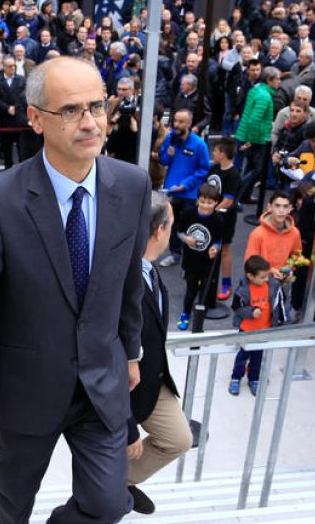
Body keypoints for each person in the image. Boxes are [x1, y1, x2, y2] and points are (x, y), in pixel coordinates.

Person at [0, 56, 152, 523]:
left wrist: (131, 351)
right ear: (35, 118)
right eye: (71, 111)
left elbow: (128, 282)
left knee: (107, 504)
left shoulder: (133, 184)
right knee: (14, 505)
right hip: (25, 394)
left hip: (99, 387)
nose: (90, 123)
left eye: (97, 107)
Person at [124, 192, 193, 515]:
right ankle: (101, 488)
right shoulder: (123, 280)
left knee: (179, 439)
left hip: (152, 380)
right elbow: (108, 364)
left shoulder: (146, 268)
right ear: (159, 231)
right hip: (124, 393)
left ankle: (118, 481)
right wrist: (128, 429)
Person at [229, 255, 295, 396]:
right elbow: (236, 307)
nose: (267, 279)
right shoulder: (243, 290)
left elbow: (281, 301)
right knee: (243, 355)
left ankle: (254, 379)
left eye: (267, 276)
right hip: (247, 330)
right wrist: (251, 312)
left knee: (258, 356)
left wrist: (283, 321)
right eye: (263, 277)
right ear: (250, 276)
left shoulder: (272, 286)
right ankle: (236, 378)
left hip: (264, 329)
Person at [158, 109, 211, 267]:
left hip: (189, 193)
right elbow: (163, 161)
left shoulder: (199, 144)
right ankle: (175, 254)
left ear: (189, 124)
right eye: (175, 121)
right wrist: (169, 154)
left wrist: (186, 184)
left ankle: (189, 255)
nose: (177, 125)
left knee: (188, 224)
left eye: (181, 122)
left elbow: (204, 169)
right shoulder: (170, 138)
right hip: (171, 191)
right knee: (172, 224)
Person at [174, 185, 226, 331]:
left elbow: (218, 240)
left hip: (208, 263)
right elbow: (179, 232)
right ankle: (185, 314)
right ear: (198, 200)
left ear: (216, 203)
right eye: (202, 201)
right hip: (191, 260)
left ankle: (199, 317)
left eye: (209, 203)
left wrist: (215, 248)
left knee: (205, 290)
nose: (205, 205)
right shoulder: (188, 213)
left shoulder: (218, 219)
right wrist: (186, 239)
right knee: (190, 289)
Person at [237, 65, 280, 205]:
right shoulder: (265, 97)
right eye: (277, 79)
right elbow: (254, 119)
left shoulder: (256, 89)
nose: (279, 82)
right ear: (269, 80)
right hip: (258, 138)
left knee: (250, 167)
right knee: (258, 170)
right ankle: (238, 194)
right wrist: (251, 140)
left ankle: (244, 195)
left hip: (249, 134)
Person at [207, 137, 242, 300]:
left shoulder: (233, 174)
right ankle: (207, 279)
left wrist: (211, 211)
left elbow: (228, 200)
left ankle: (226, 283)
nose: (213, 153)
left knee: (224, 249)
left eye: (215, 150)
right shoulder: (214, 168)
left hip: (225, 218)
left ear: (223, 153)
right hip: (211, 215)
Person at [244, 191, 303, 283]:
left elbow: (296, 257)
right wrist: (270, 271)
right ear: (269, 207)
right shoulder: (257, 234)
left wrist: (288, 269)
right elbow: (249, 262)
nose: (281, 210)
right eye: (277, 206)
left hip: (280, 283)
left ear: (290, 209)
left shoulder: (295, 233)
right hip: (259, 284)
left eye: (285, 206)